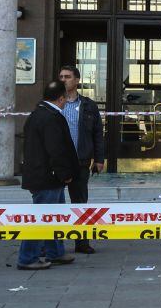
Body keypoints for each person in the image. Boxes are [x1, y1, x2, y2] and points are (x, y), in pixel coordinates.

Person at [17, 80, 78, 270]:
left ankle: (55, 251)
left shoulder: (38, 114)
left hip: (42, 175)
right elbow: (56, 150)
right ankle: (27, 257)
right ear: (61, 98)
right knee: (41, 217)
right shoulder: (51, 117)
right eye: (65, 98)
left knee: (54, 216)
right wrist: (65, 174)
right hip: (47, 177)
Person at [59, 65, 105, 254]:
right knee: (54, 204)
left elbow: (97, 133)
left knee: (80, 202)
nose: (63, 80)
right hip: (58, 162)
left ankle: (82, 242)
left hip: (80, 160)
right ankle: (52, 244)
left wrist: (99, 158)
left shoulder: (88, 105)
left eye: (67, 77)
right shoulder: (53, 104)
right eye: (61, 77)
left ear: (77, 80)